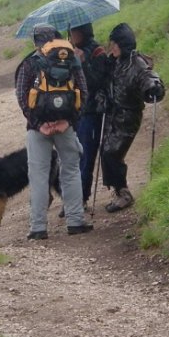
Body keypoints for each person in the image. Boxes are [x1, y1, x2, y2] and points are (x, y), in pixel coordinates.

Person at [15, 24, 93, 239]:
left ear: (35, 42)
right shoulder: (71, 60)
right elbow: (83, 92)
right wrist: (68, 122)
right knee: (71, 170)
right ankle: (75, 221)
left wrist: (39, 123)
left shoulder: (30, 63)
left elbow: (22, 97)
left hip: (37, 128)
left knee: (39, 176)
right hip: (65, 125)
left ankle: (38, 227)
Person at [101, 23, 165, 213]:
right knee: (106, 151)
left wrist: (153, 87)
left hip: (128, 116)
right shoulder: (115, 61)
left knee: (112, 152)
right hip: (114, 113)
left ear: (123, 44)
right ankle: (119, 190)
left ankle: (123, 193)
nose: (111, 48)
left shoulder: (137, 63)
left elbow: (149, 76)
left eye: (114, 44)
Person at [69, 22, 111, 211]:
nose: (71, 35)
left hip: (92, 112)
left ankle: (81, 197)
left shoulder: (97, 52)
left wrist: (83, 63)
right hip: (75, 112)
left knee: (86, 157)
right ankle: (72, 197)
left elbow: (97, 82)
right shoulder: (70, 51)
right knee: (72, 157)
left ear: (83, 31)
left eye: (74, 31)